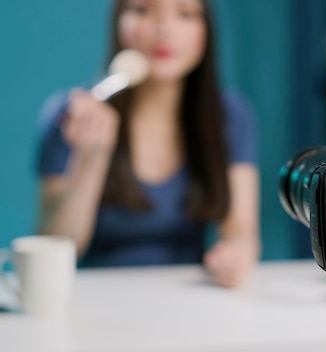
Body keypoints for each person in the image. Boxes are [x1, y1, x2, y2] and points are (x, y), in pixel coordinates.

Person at [36, 0, 260, 288]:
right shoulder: (68, 117)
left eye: (185, 14)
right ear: (117, 21)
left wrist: (235, 256)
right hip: (93, 301)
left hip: (192, 300)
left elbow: (241, 231)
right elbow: (57, 250)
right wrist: (90, 160)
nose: (163, 30)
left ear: (207, 29)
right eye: (143, 10)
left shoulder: (230, 117)